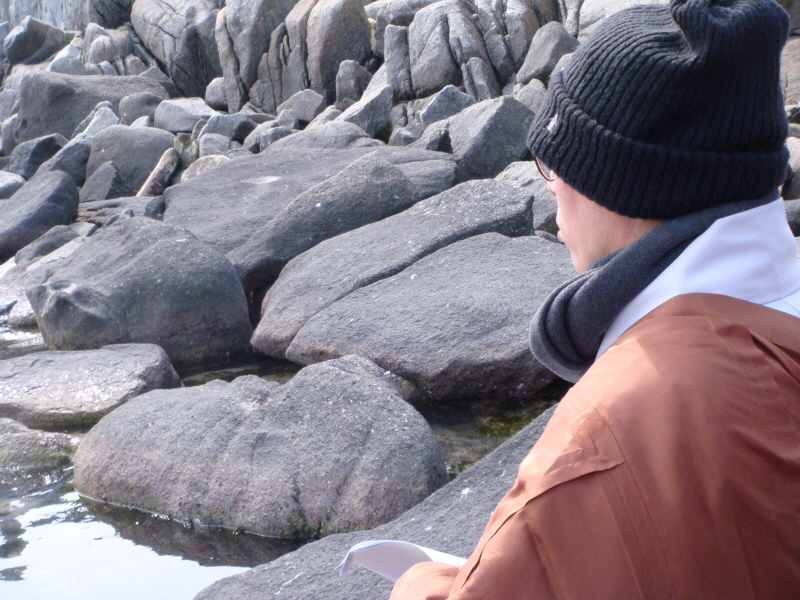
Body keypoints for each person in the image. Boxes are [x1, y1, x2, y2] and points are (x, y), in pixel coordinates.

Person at [388, 0, 800, 597]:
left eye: (556, 163)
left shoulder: (614, 422)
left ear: (627, 185)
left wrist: (418, 579)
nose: (550, 185)